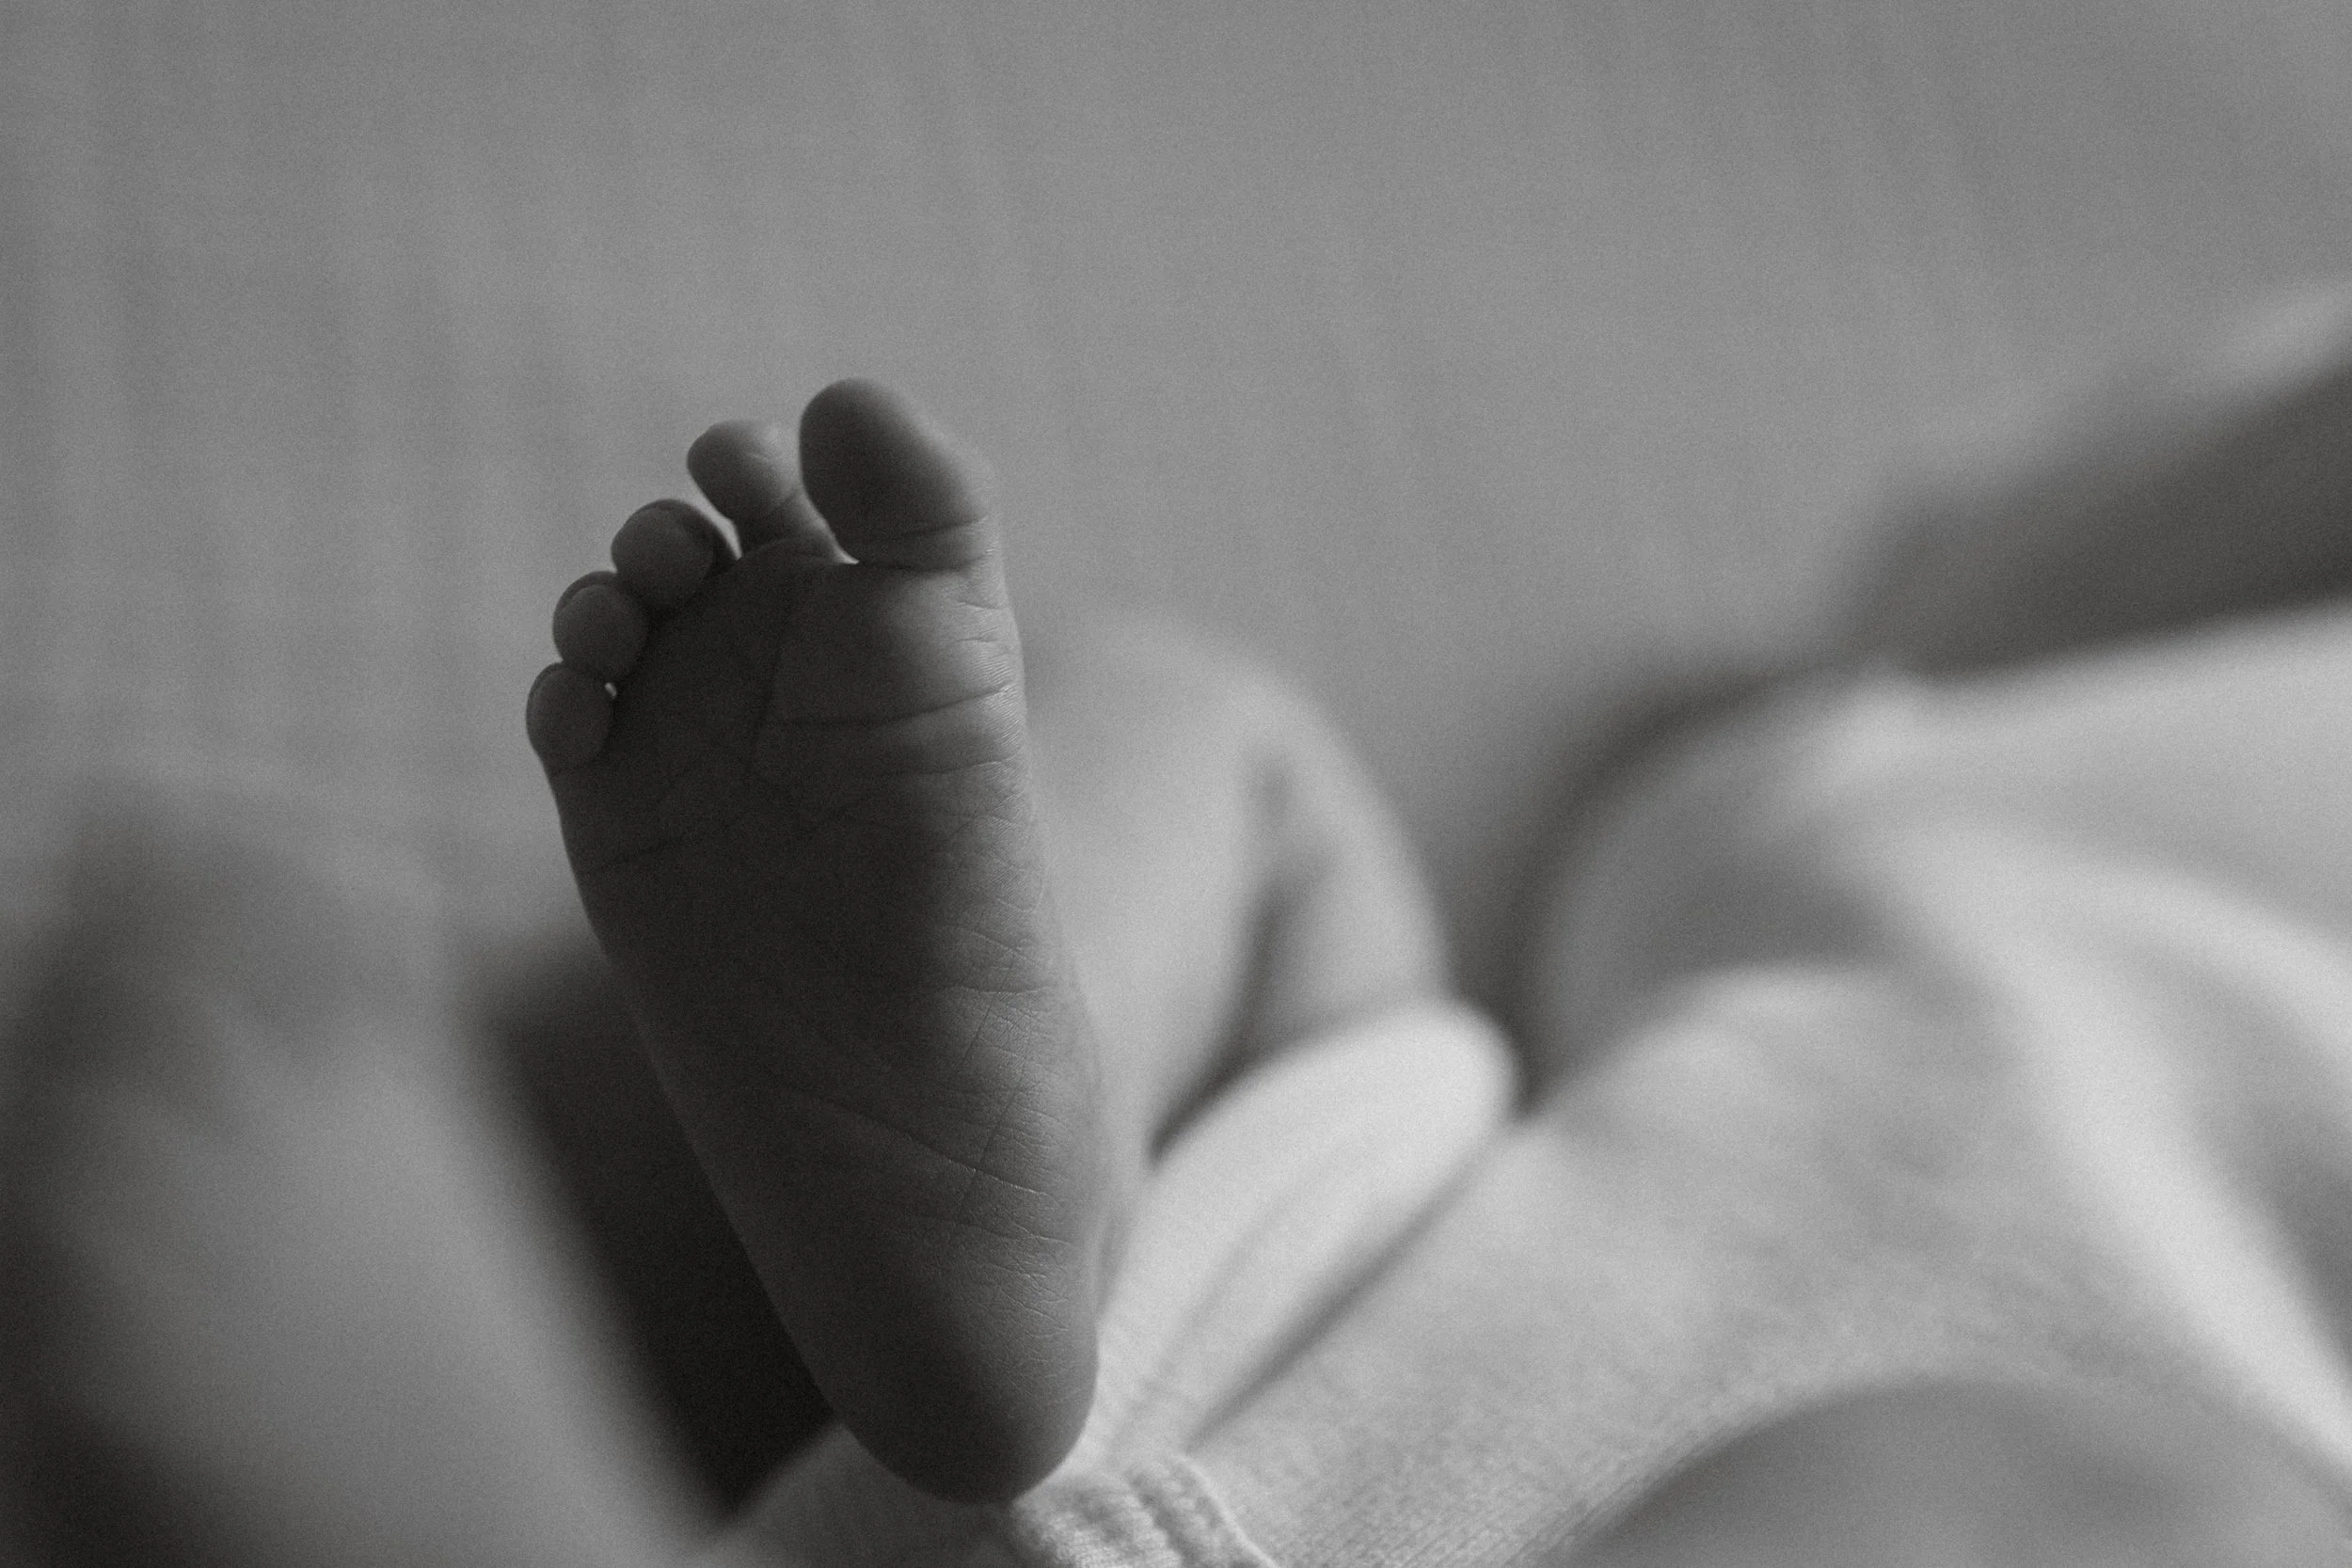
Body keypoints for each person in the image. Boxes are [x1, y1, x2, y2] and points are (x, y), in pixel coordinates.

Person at [10, 290, 2352, 1565]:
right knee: (1210, 754)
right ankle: (997, 1217)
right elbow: (1978, 563)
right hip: (1412, 1255)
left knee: (2142, 1510)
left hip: (2138, 1423)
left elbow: (2001, 554)